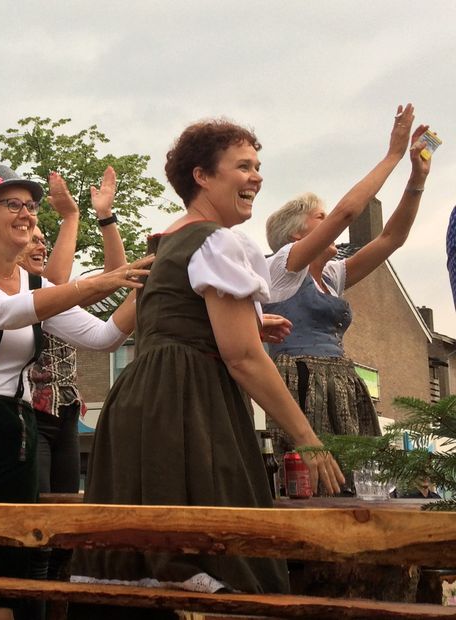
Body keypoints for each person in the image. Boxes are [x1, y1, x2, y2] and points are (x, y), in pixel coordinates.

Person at [69, 120, 344, 619]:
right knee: (219, 557)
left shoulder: (164, 243)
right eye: (243, 166)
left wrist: (244, 327)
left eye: (257, 166)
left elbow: (155, 324)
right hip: (188, 405)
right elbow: (241, 358)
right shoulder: (218, 242)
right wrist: (307, 436)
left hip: (136, 405)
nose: (256, 176)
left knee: (140, 563)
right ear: (202, 175)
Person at [0, 165, 151, 620]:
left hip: (12, 430)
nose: (27, 215)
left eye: (32, 207)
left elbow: (104, 338)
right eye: (14, 205)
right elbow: (1, 312)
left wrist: (149, 281)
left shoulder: (37, 287)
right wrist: (94, 282)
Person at [263, 104, 432, 456]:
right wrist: (393, 155)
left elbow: (391, 239)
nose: (331, 223)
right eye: (320, 218)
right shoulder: (282, 266)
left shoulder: (330, 275)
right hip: (301, 379)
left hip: (341, 379)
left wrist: (417, 179)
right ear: (296, 235)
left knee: (358, 470)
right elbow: (347, 212)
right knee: (313, 469)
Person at [17, 168, 129, 620]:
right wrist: (71, 218)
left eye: (46, 238)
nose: (40, 245)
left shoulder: (59, 293)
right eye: (32, 238)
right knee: (38, 528)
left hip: (64, 416)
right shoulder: (18, 292)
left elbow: (116, 275)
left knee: (65, 527)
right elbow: (61, 282)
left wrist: (106, 219)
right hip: (28, 416)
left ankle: (58, 611)